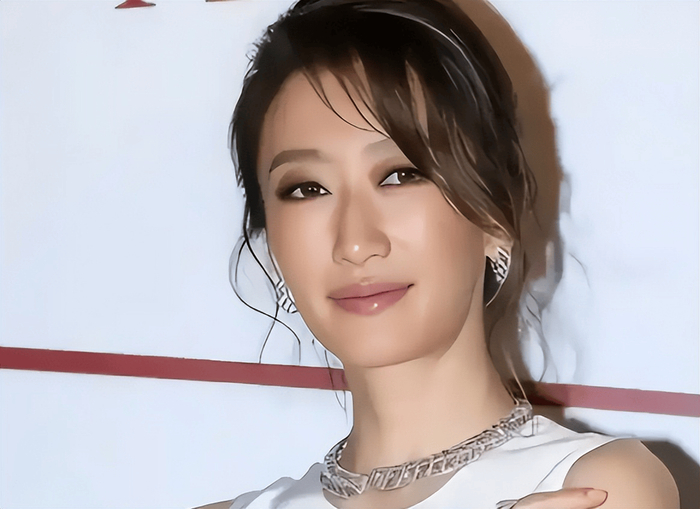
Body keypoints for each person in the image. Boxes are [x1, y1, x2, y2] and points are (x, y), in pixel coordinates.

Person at [201, 0, 679, 507]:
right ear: (270, 239)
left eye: (401, 175)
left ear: (493, 217)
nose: (356, 243)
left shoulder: (599, 487)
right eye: (306, 189)